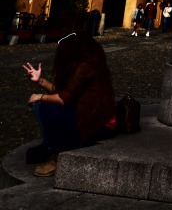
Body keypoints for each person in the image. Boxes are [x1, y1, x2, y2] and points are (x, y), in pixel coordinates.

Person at [23, 32, 115, 177]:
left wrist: (40, 96)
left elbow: (63, 98)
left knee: (49, 109)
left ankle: (57, 155)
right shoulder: (86, 65)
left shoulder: (86, 67)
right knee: (42, 107)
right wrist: (40, 81)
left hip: (100, 124)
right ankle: (51, 145)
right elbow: (64, 92)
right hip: (90, 117)